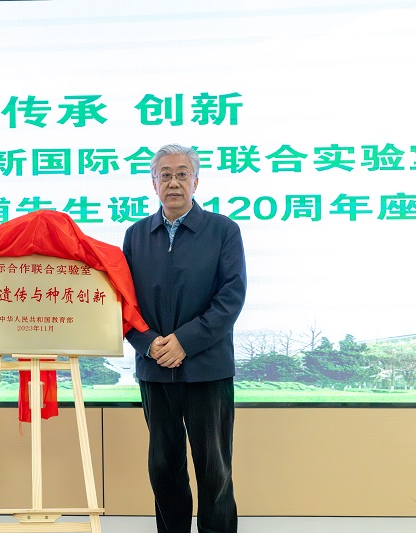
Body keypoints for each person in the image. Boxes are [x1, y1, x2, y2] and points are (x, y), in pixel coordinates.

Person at [123, 144, 247, 533]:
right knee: (163, 467)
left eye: (182, 174)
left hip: (208, 369)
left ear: (196, 181)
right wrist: (148, 343)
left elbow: (231, 297)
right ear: (153, 183)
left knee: (214, 469)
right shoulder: (136, 235)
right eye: (165, 175)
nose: (173, 182)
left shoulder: (223, 230)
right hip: (155, 369)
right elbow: (123, 302)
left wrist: (185, 342)